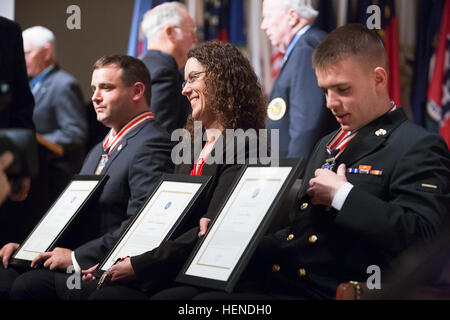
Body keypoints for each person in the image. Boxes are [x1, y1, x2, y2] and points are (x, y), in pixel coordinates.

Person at [152, 24, 450, 300]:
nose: (330, 103)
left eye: (342, 89)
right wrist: (228, 233)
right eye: (325, 91)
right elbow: (298, 232)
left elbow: (424, 240)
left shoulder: (417, 146)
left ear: (378, 79)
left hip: (338, 290)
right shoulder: (327, 143)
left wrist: (344, 197)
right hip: (286, 280)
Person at [58, 41, 268, 300]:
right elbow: (163, 220)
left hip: (202, 272)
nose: (184, 90)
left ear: (223, 80)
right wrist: (112, 261)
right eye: (183, 81)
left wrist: (140, 265)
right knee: (75, 291)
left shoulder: (247, 145)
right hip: (165, 264)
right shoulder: (189, 146)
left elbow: (209, 229)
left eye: (193, 78)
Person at [0, 55, 174, 299]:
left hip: (109, 269)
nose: (95, 97)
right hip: (84, 259)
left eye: (106, 87)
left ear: (137, 91)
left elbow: (141, 225)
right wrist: (30, 248)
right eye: (94, 88)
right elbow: (74, 214)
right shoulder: (99, 148)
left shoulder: (152, 143)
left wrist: (76, 258)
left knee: (28, 286)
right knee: (6, 272)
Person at [261, 0, 336, 159]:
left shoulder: (306, 49)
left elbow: (306, 122)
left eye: (268, 17)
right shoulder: (300, 48)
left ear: (292, 16)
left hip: (299, 173)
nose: (263, 25)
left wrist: (292, 174)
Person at [22, 26, 88, 203]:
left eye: (27, 53)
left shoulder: (63, 85)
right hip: (34, 177)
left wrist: (36, 139)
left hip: (54, 179)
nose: (23, 59)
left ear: (46, 52)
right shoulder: (26, 84)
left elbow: (75, 132)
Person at [141, 2, 197, 134]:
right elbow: (161, 136)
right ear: (170, 32)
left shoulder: (143, 66)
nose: (195, 39)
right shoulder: (164, 74)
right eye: (191, 31)